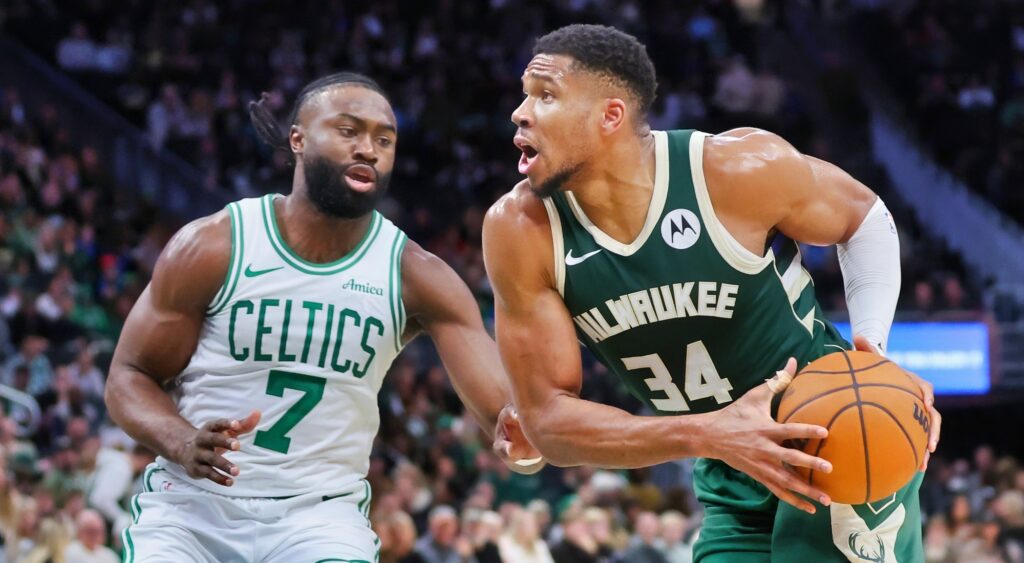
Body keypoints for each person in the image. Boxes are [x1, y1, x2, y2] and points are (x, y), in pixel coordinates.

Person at [483, 24, 942, 562]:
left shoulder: (733, 170)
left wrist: (874, 353)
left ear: (611, 116)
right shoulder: (520, 231)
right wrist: (710, 435)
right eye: (524, 94)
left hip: (836, 435)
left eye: (545, 95)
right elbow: (549, 424)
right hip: (730, 471)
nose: (520, 111)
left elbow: (865, 218)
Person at [105, 72, 540, 563]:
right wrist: (181, 440)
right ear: (298, 139)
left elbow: (505, 416)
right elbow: (128, 376)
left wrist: (522, 434)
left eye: (384, 139)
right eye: (348, 131)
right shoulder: (215, 245)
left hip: (318, 517)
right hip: (191, 508)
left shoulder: (415, 274)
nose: (368, 150)